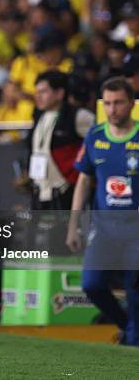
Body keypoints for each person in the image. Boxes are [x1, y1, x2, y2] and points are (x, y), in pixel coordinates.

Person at [67, 77, 139, 346]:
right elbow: (84, 180)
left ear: (131, 103)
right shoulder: (95, 136)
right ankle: (125, 325)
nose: (112, 109)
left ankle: (132, 341)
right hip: (104, 228)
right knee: (92, 284)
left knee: (135, 291)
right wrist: (73, 224)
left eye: (118, 102)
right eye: (107, 103)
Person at [26, 71, 94, 209]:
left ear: (59, 93)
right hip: (40, 191)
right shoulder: (40, 116)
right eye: (37, 91)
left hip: (66, 191)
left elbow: (102, 138)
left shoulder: (78, 115)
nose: (38, 96)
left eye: (43, 91)